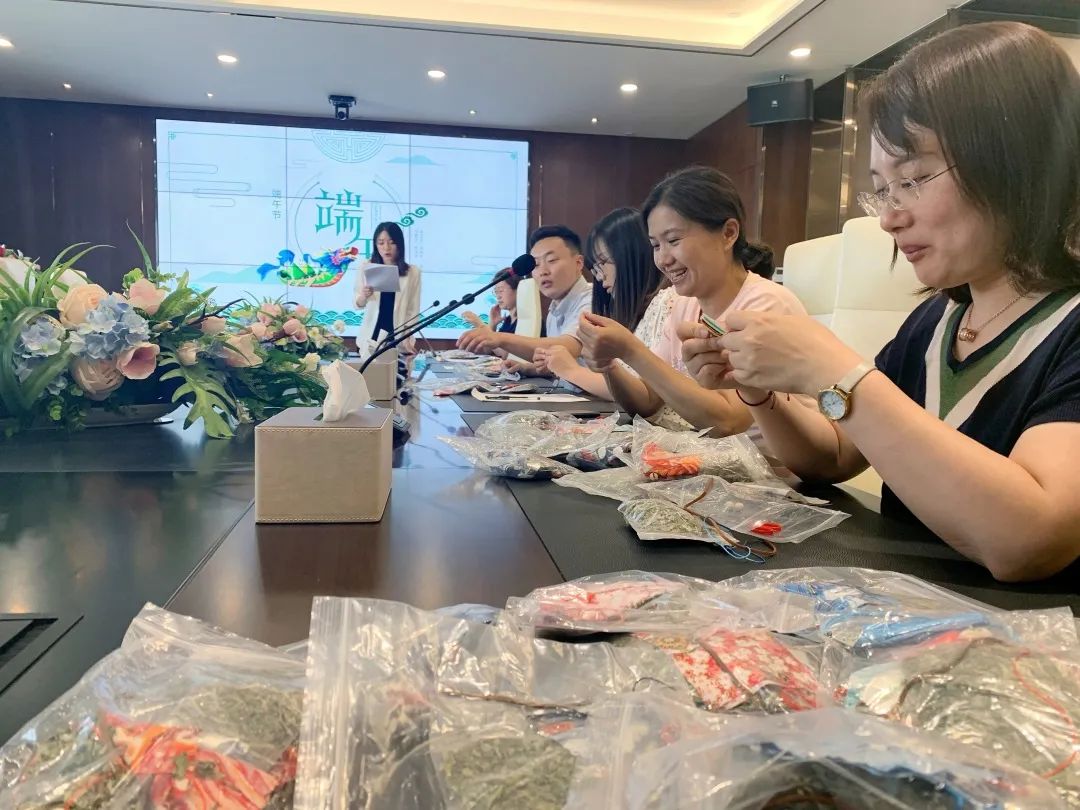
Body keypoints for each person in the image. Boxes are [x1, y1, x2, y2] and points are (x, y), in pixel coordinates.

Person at [677, 22, 1080, 581]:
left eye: (913, 178)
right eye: (882, 189)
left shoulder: (1066, 327)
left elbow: (1030, 541)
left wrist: (837, 372)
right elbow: (835, 455)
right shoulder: (937, 320)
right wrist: (759, 391)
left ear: (1020, 164)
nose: (889, 217)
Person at [577, 166, 808, 435]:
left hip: (764, 460)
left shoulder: (767, 304)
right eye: (655, 245)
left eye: (673, 240)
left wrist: (631, 350)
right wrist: (610, 363)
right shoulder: (683, 304)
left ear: (728, 233)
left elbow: (729, 421)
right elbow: (649, 401)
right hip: (698, 454)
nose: (663, 259)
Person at [535, 207, 673, 398]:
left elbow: (648, 394)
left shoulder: (666, 304)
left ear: (630, 256)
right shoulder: (635, 311)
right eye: (596, 267)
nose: (600, 277)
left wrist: (570, 370)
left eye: (603, 263)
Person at [457, 225, 591, 370]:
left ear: (578, 263)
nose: (543, 271)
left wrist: (499, 337)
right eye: (536, 264)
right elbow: (561, 363)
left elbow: (567, 348)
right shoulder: (554, 309)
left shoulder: (592, 300)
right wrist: (529, 369)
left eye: (551, 260)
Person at [354, 221, 422, 353]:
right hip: (370, 336)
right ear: (375, 245)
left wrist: (407, 336)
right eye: (381, 243)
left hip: (398, 338)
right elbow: (358, 304)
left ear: (399, 244)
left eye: (392, 242)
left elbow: (413, 310)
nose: (386, 248)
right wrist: (364, 295)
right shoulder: (366, 266)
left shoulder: (412, 272)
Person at [463, 270, 519, 335]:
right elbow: (495, 341)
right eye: (496, 291)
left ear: (518, 289)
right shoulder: (508, 320)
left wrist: (480, 325)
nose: (498, 296)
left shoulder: (523, 321)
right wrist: (493, 324)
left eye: (501, 290)